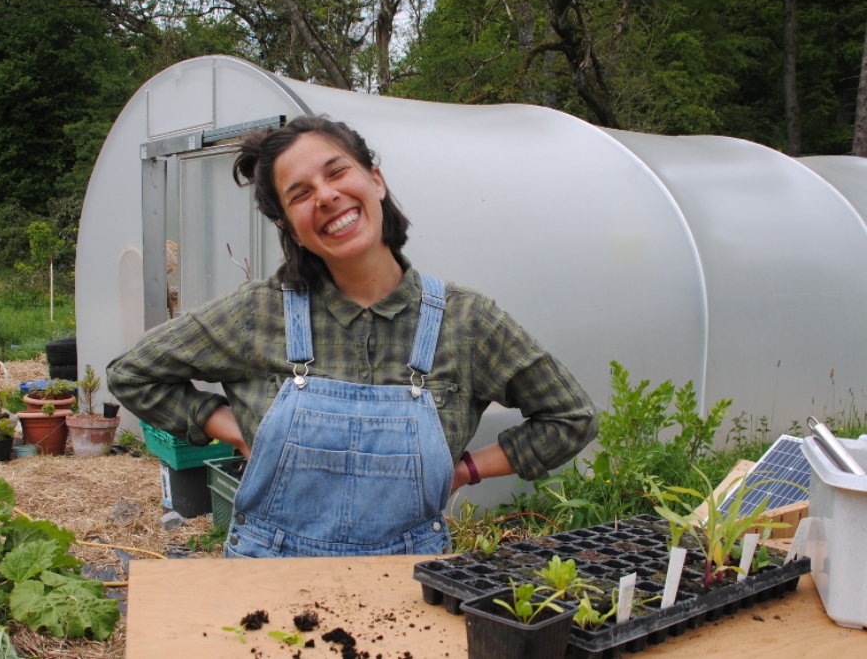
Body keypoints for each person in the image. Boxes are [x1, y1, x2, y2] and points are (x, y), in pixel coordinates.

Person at [107, 116, 598, 558]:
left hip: (408, 581)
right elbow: (131, 373)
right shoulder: (258, 313)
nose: (324, 196)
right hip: (266, 580)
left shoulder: (467, 322)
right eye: (299, 193)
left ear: (376, 180)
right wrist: (226, 426)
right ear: (291, 228)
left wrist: (467, 469)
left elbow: (569, 419)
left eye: (336, 172)